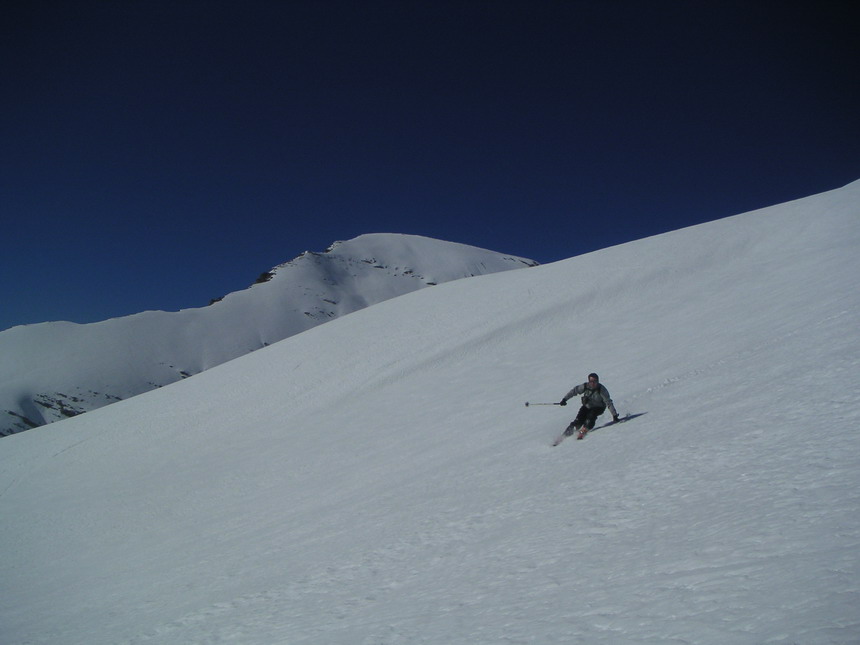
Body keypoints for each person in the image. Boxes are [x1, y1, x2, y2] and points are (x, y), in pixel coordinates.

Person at [559, 373, 619, 438]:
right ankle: (564, 436)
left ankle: (584, 429)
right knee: (578, 421)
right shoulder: (585, 386)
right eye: (591, 381)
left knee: (591, 416)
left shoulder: (601, 389)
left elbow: (608, 402)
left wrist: (614, 415)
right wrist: (565, 399)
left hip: (599, 407)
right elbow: (574, 391)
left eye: (595, 381)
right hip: (587, 407)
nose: (593, 383)